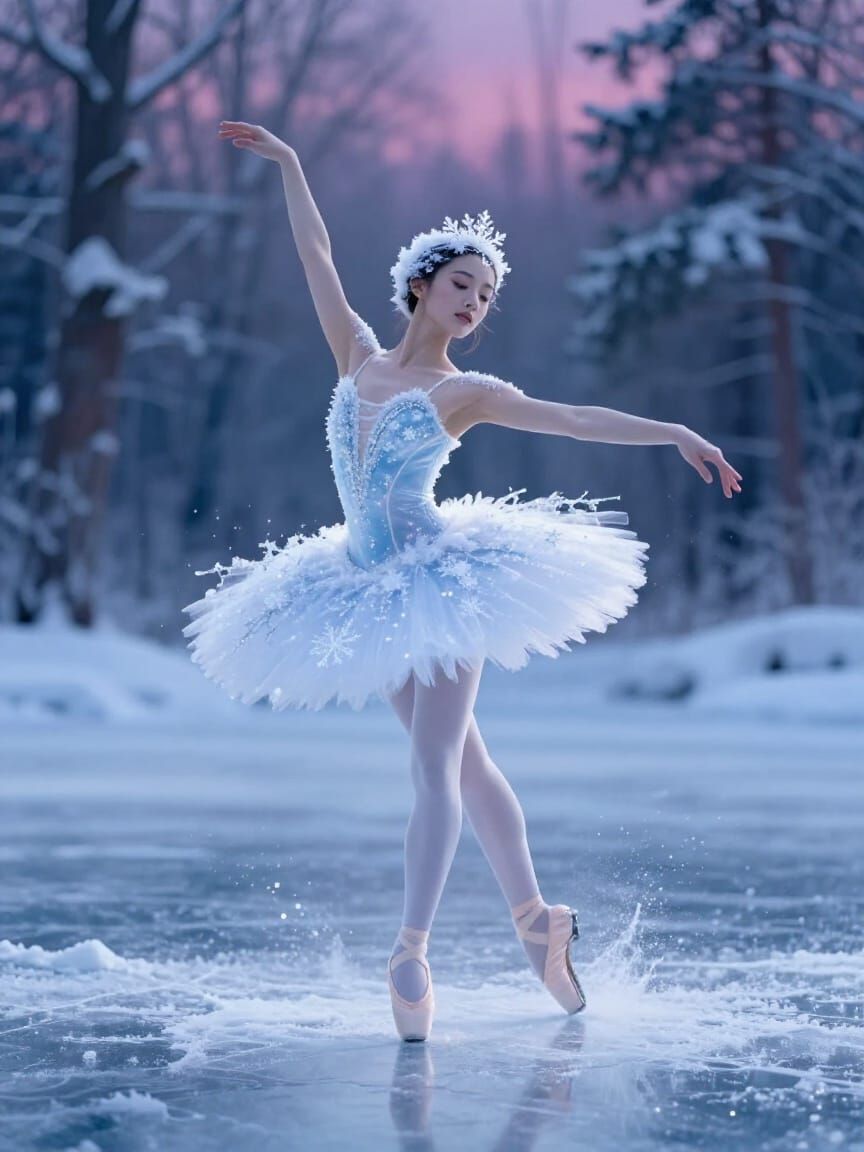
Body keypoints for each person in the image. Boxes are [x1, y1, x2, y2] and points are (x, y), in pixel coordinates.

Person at [184, 121, 743, 1043]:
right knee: (469, 765)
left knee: (435, 765)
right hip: (366, 587)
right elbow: (317, 255)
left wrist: (674, 432)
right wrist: (290, 163)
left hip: (440, 585)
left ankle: (410, 951)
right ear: (421, 284)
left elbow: (574, 418)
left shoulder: (464, 393)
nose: (475, 304)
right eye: (462, 286)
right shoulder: (358, 356)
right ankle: (540, 922)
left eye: (486, 296)